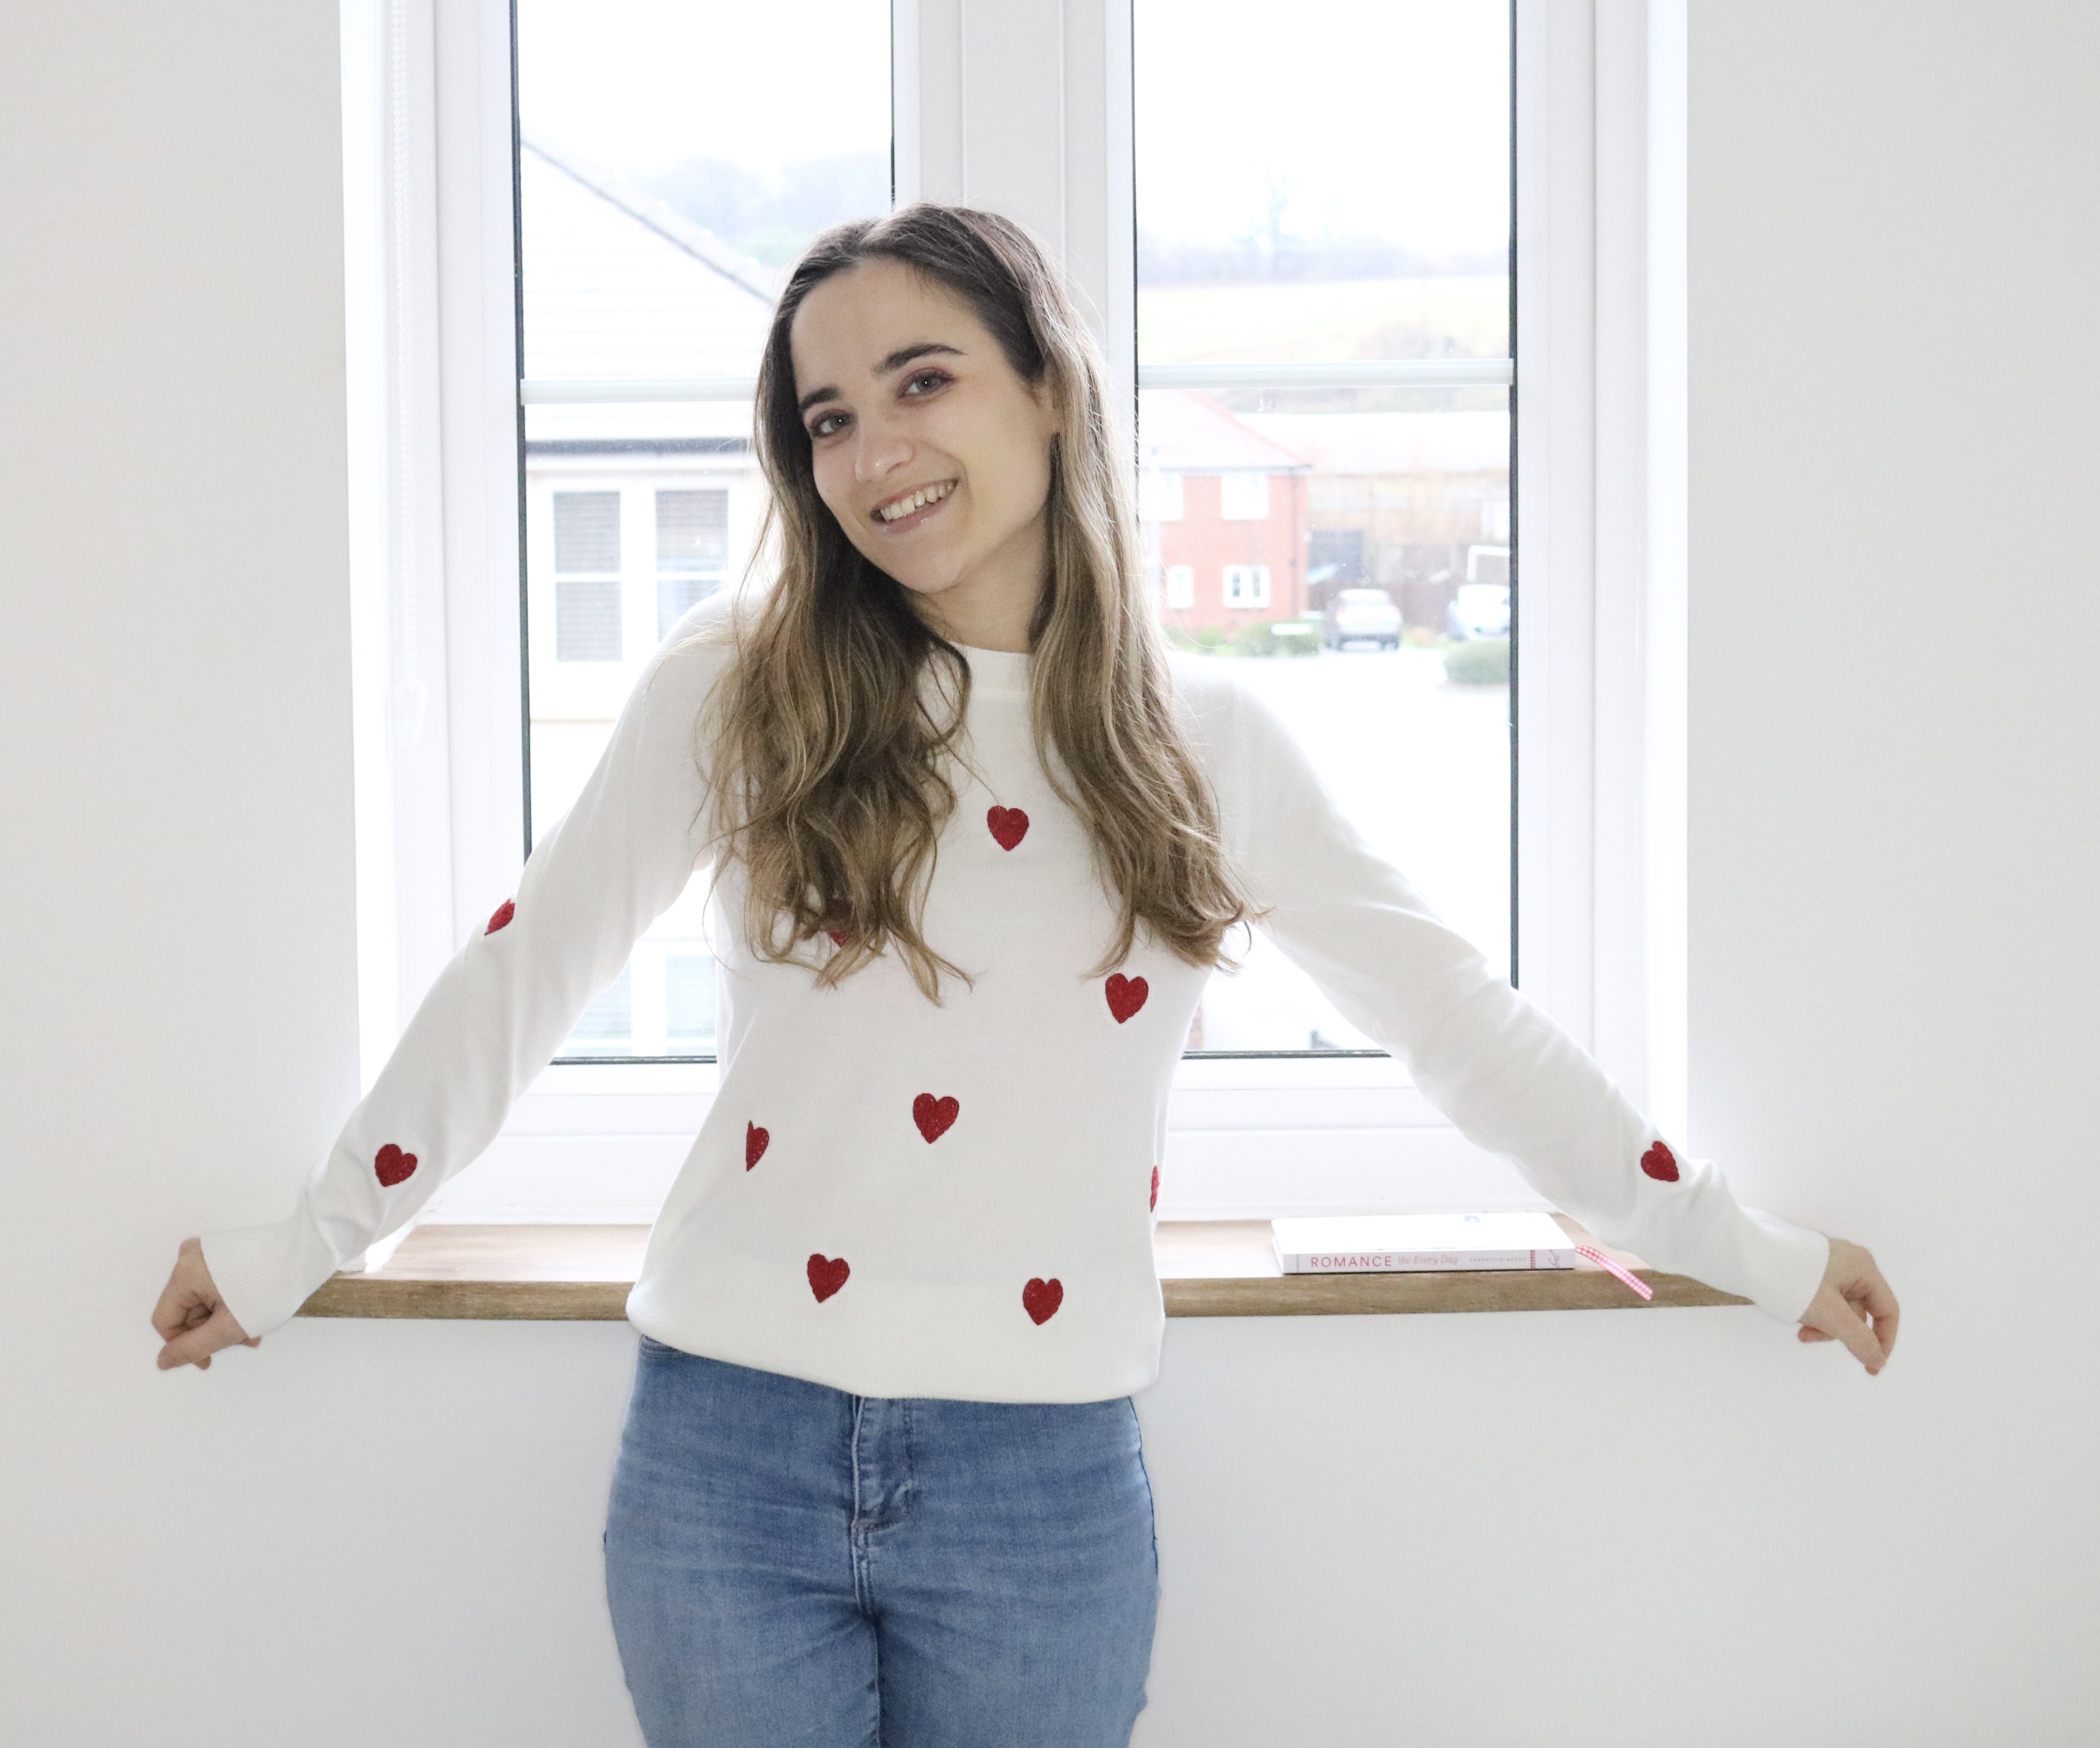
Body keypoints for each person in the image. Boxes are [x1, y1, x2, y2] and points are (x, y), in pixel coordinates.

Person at [152, 204, 1898, 1747]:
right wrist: (299, 1242)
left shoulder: (1204, 745)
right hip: (721, 1450)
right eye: (828, 417)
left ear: (1050, 390)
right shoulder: (736, 693)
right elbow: (519, 979)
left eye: (924, 382)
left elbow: (1460, 1025)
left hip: (1044, 1478)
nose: (872, 452)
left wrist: (1741, 1248)